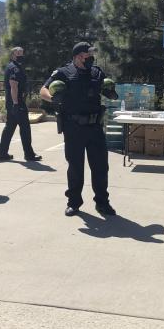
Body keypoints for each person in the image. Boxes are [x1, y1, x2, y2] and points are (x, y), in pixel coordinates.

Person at [40, 42, 118, 217]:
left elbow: (106, 89)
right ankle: (74, 202)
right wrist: (53, 98)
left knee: (100, 167)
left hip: (95, 127)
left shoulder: (97, 72)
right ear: (77, 56)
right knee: (75, 167)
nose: (90, 57)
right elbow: (43, 90)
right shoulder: (63, 72)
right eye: (87, 54)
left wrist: (110, 92)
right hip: (73, 127)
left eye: (91, 54)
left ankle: (102, 203)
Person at [0, 46, 41, 162]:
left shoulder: (16, 67)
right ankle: (29, 154)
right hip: (16, 102)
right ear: (12, 55)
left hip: (13, 102)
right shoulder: (14, 68)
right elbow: (13, 86)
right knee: (25, 128)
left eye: (22, 52)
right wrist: (16, 103)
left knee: (10, 128)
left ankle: (2, 154)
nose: (21, 55)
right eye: (18, 53)